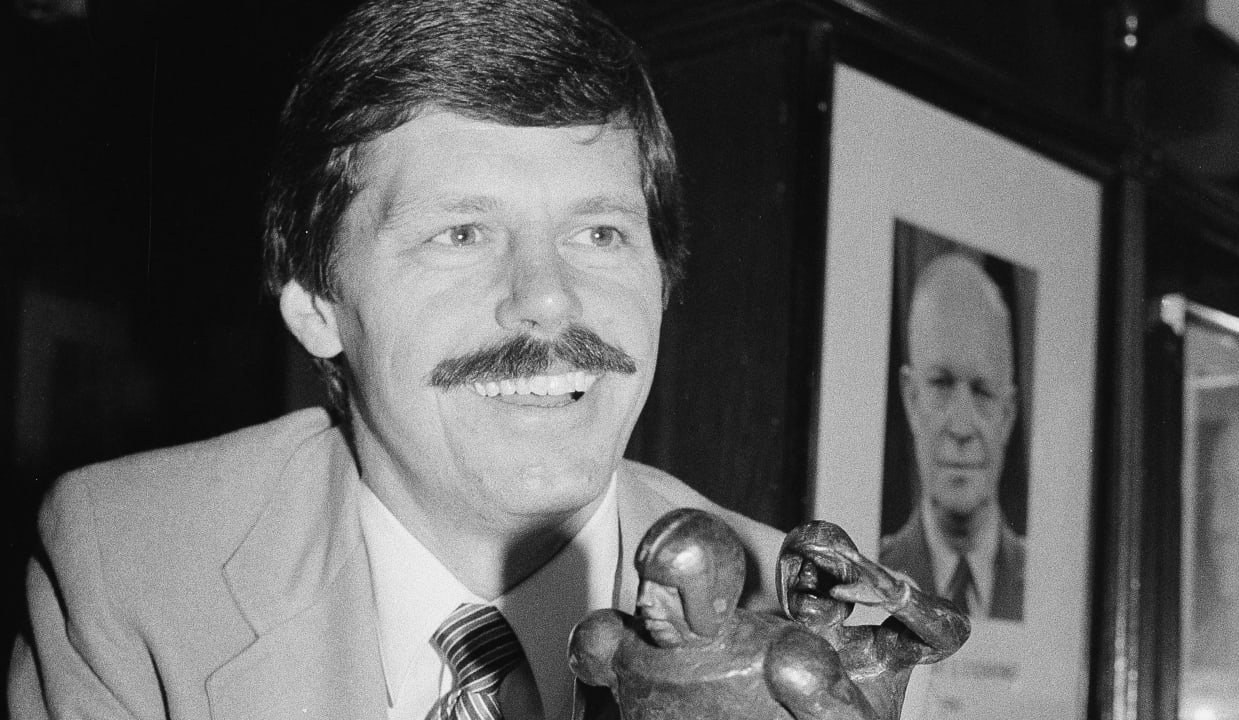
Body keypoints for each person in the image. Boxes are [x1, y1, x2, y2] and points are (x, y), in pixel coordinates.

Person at [7, 1, 786, 718]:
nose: (550, 299)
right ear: (317, 306)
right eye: (462, 234)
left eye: (600, 234)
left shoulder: (796, 616)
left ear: (663, 281)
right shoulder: (132, 567)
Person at [569, 509, 871, 720]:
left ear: (714, 595)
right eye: (645, 582)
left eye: (668, 590)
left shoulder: (788, 660)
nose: (645, 601)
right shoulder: (608, 643)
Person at [879, 253, 1028, 621]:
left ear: (1008, 414)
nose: (961, 428)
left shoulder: (1045, 585)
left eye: (982, 391)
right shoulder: (874, 573)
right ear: (911, 399)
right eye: (941, 384)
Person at [778, 520, 970, 720]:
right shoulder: (765, 643)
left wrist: (899, 597)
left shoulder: (877, 649)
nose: (807, 571)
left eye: (823, 563)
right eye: (795, 561)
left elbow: (956, 633)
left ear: (848, 577)